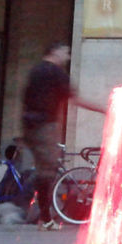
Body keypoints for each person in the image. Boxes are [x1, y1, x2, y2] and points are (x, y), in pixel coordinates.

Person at [21, 42, 104, 230]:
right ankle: (44, 218)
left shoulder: (35, 71)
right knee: (47, 171)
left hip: (30, 125)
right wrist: (104, 109)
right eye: (65, 53)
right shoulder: (56, 73)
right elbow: (75, 100)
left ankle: (42, 215)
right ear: (55, 52)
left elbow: (25, 98)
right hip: (45, 126)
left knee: (45, 168)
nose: (67, 57)